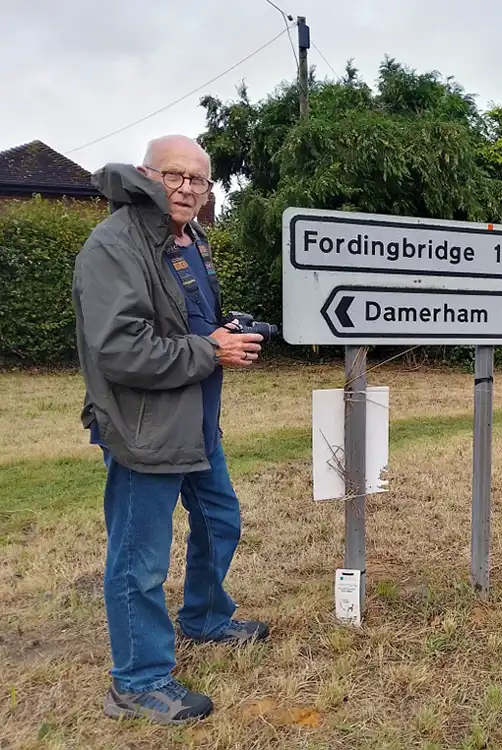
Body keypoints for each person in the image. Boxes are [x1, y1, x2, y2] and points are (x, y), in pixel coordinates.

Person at [72, 135, 270, 725]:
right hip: (144, 429)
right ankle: (137, 682)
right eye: (174, 176)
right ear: (145, 174)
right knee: (140, 560)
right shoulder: (115, 244)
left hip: (197, 423)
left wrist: (226, 331)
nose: (187, 188)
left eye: (199, 180)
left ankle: (206, 617)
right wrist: (210, 351)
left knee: (220, 520)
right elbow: (120, 349)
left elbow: (189, 320)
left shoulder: (189, 239)